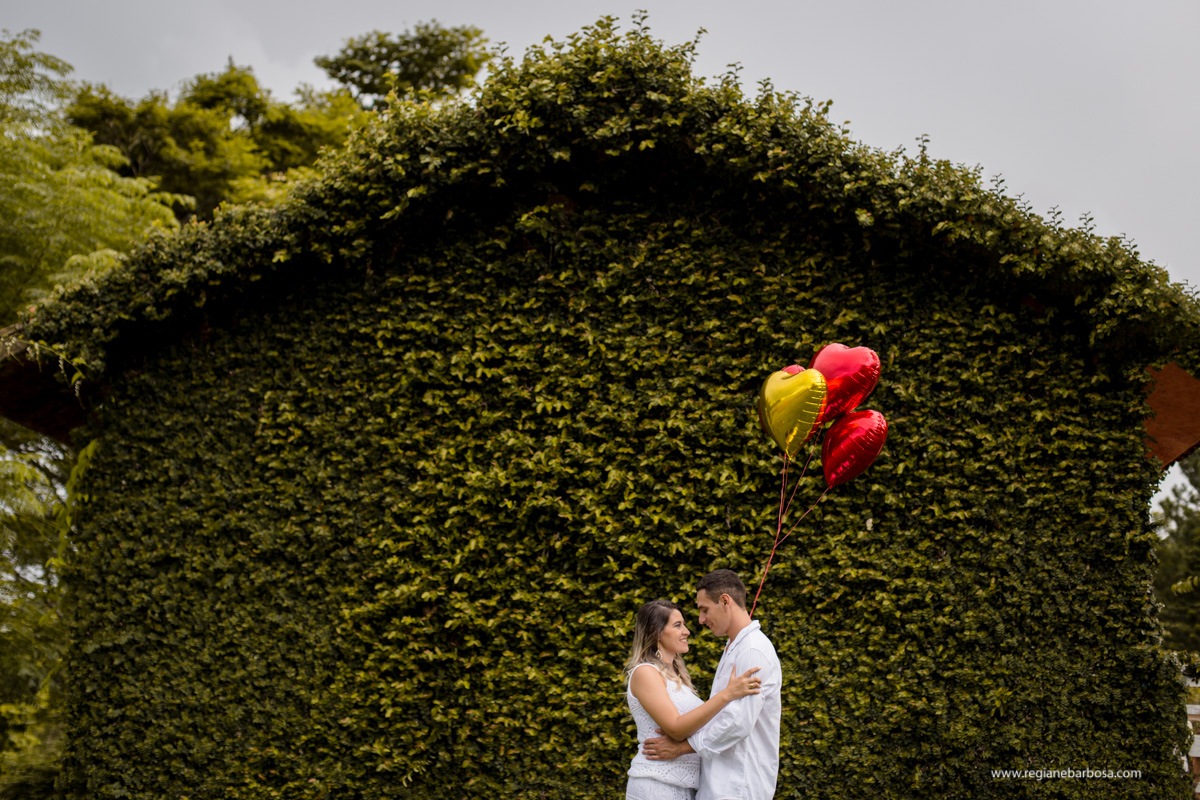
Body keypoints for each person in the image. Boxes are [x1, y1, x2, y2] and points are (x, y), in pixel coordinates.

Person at [642, 569, 783, 800]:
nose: (701, 620)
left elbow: (738, 723)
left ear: (725, 601)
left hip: (739, 785)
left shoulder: (753, 650)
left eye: (704, 609)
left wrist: (681, 748)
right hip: (719, 783)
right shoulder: (734, 647)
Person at [625, 598, 763, 800]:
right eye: (677, 625)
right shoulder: (645, 672)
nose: (687, 631)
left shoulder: (677, 678)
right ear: (656, 632)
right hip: (655, 785)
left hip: (684, 788)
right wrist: (727, 694)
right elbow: (676, 728)